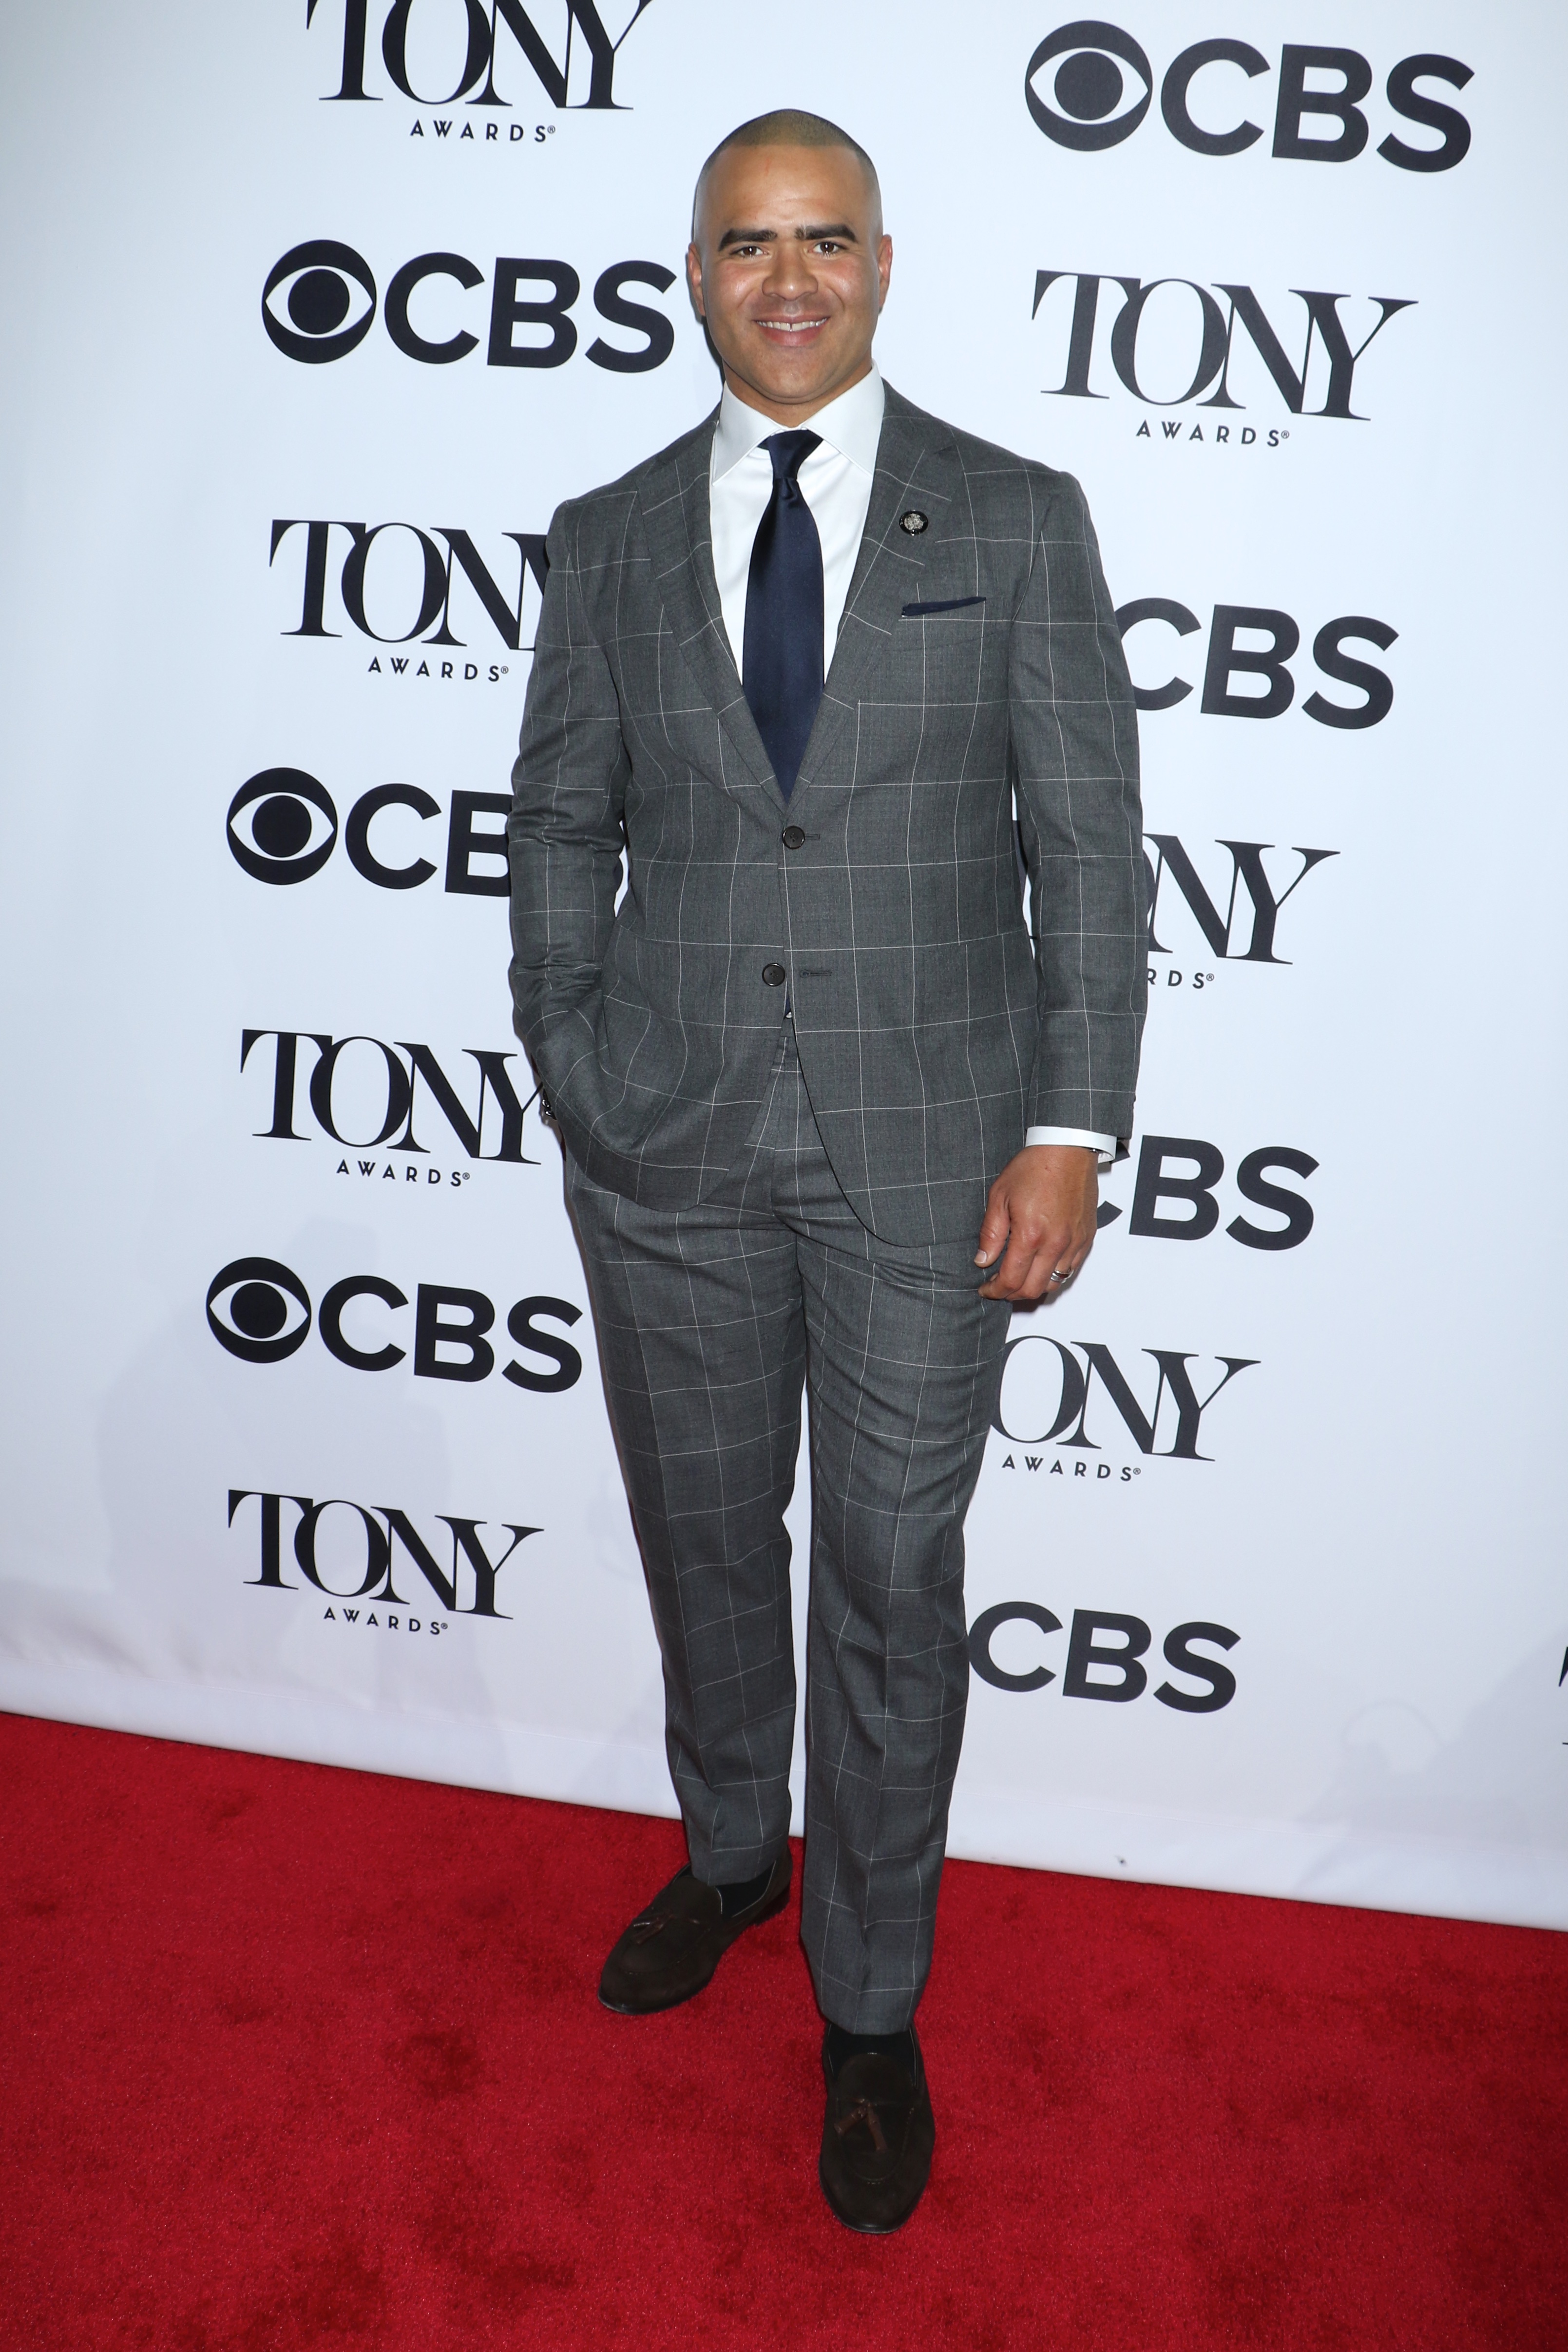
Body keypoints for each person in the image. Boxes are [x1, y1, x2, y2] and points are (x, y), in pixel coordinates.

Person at [508, 108, 1146, 2233]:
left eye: (826, 238)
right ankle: (722, 1851)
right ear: (691, 272)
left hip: (934, 1152)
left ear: (885, 261)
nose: (788, 276)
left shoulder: (1020, 515)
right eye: (744, 242)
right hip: (663, 1138)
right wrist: (575, 1058)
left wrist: (1067, 1130)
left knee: (887, 1573)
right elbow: (555, 827)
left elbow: (1089, 853)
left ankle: (869, 2004)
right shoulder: (601, 536)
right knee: (703, 1534)